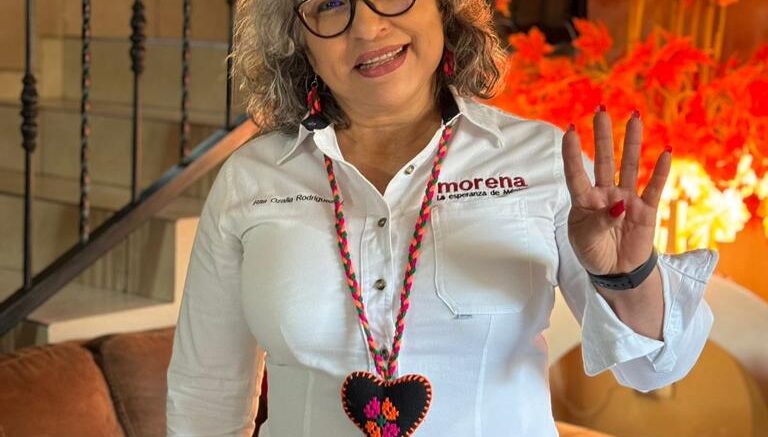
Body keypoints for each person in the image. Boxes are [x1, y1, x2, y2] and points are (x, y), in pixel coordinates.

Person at [165, 0, 719, 435]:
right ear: (298, 39)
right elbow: (204, 395)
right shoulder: (251, 180)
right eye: (330, 4)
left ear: (444, 8)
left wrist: (628, 275)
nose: (368, 27)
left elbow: (654, 370)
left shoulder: (543, 161)